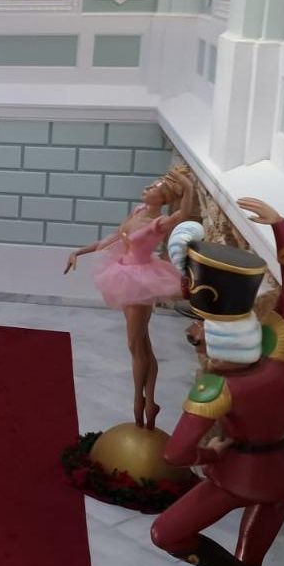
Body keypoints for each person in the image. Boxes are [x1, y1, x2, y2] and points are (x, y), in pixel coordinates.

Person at [150, 199, 284, 566]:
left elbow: (175, 454)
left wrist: (210, 453)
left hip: (239, 474)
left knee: (167, 534)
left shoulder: (215, 388)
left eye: (201, 331)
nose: (195, 336)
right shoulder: (276, 346)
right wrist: (281, 226)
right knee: (248, 555)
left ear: (216, 340)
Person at [63, 167, 195, 429]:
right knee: (142, 343)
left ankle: (139, 401)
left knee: (135, 345)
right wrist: (79, 251)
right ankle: (149, 402)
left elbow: (184, 214)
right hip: (123, 274)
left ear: (163, 198)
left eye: (153, 188)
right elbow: (114, 238)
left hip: (141, 280)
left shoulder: (157, 223)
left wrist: (188, 187)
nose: (147, 189)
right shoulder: (138, 211)